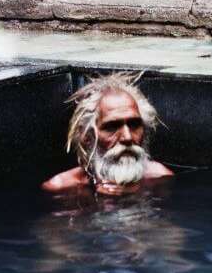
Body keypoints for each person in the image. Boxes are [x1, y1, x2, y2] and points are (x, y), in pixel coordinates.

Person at [42, 72, 173, 195]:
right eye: (112, 127)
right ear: (86, 136)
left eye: (134, 125)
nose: (127, 137)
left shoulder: (160, 177)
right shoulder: (62, 187)